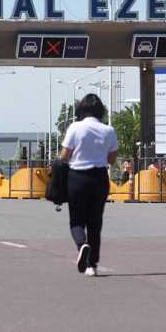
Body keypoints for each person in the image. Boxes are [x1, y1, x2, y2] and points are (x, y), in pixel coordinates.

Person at [59, 94, 117, 277]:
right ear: (101, 111)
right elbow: (112, 159)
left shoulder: (75, 127)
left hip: (77, 177)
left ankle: (82, 244)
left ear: (81, 110)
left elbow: (64, 156)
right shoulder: (109, 130)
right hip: (99, 178)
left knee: (77, 220)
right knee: (95, 222)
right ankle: (92, 266)